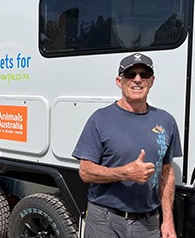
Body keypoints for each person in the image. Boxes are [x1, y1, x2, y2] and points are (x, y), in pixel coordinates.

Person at [72, 52, 182, 238]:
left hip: (148, 223)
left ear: (152, 81)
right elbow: (85, 171)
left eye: (144, 74)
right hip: (105, 220)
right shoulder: (100, 119)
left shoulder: (166, 121)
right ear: (119, 81)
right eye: (130, 75)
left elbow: (167, 172)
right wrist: (125, 173)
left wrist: (168, 220)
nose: (137, 80)